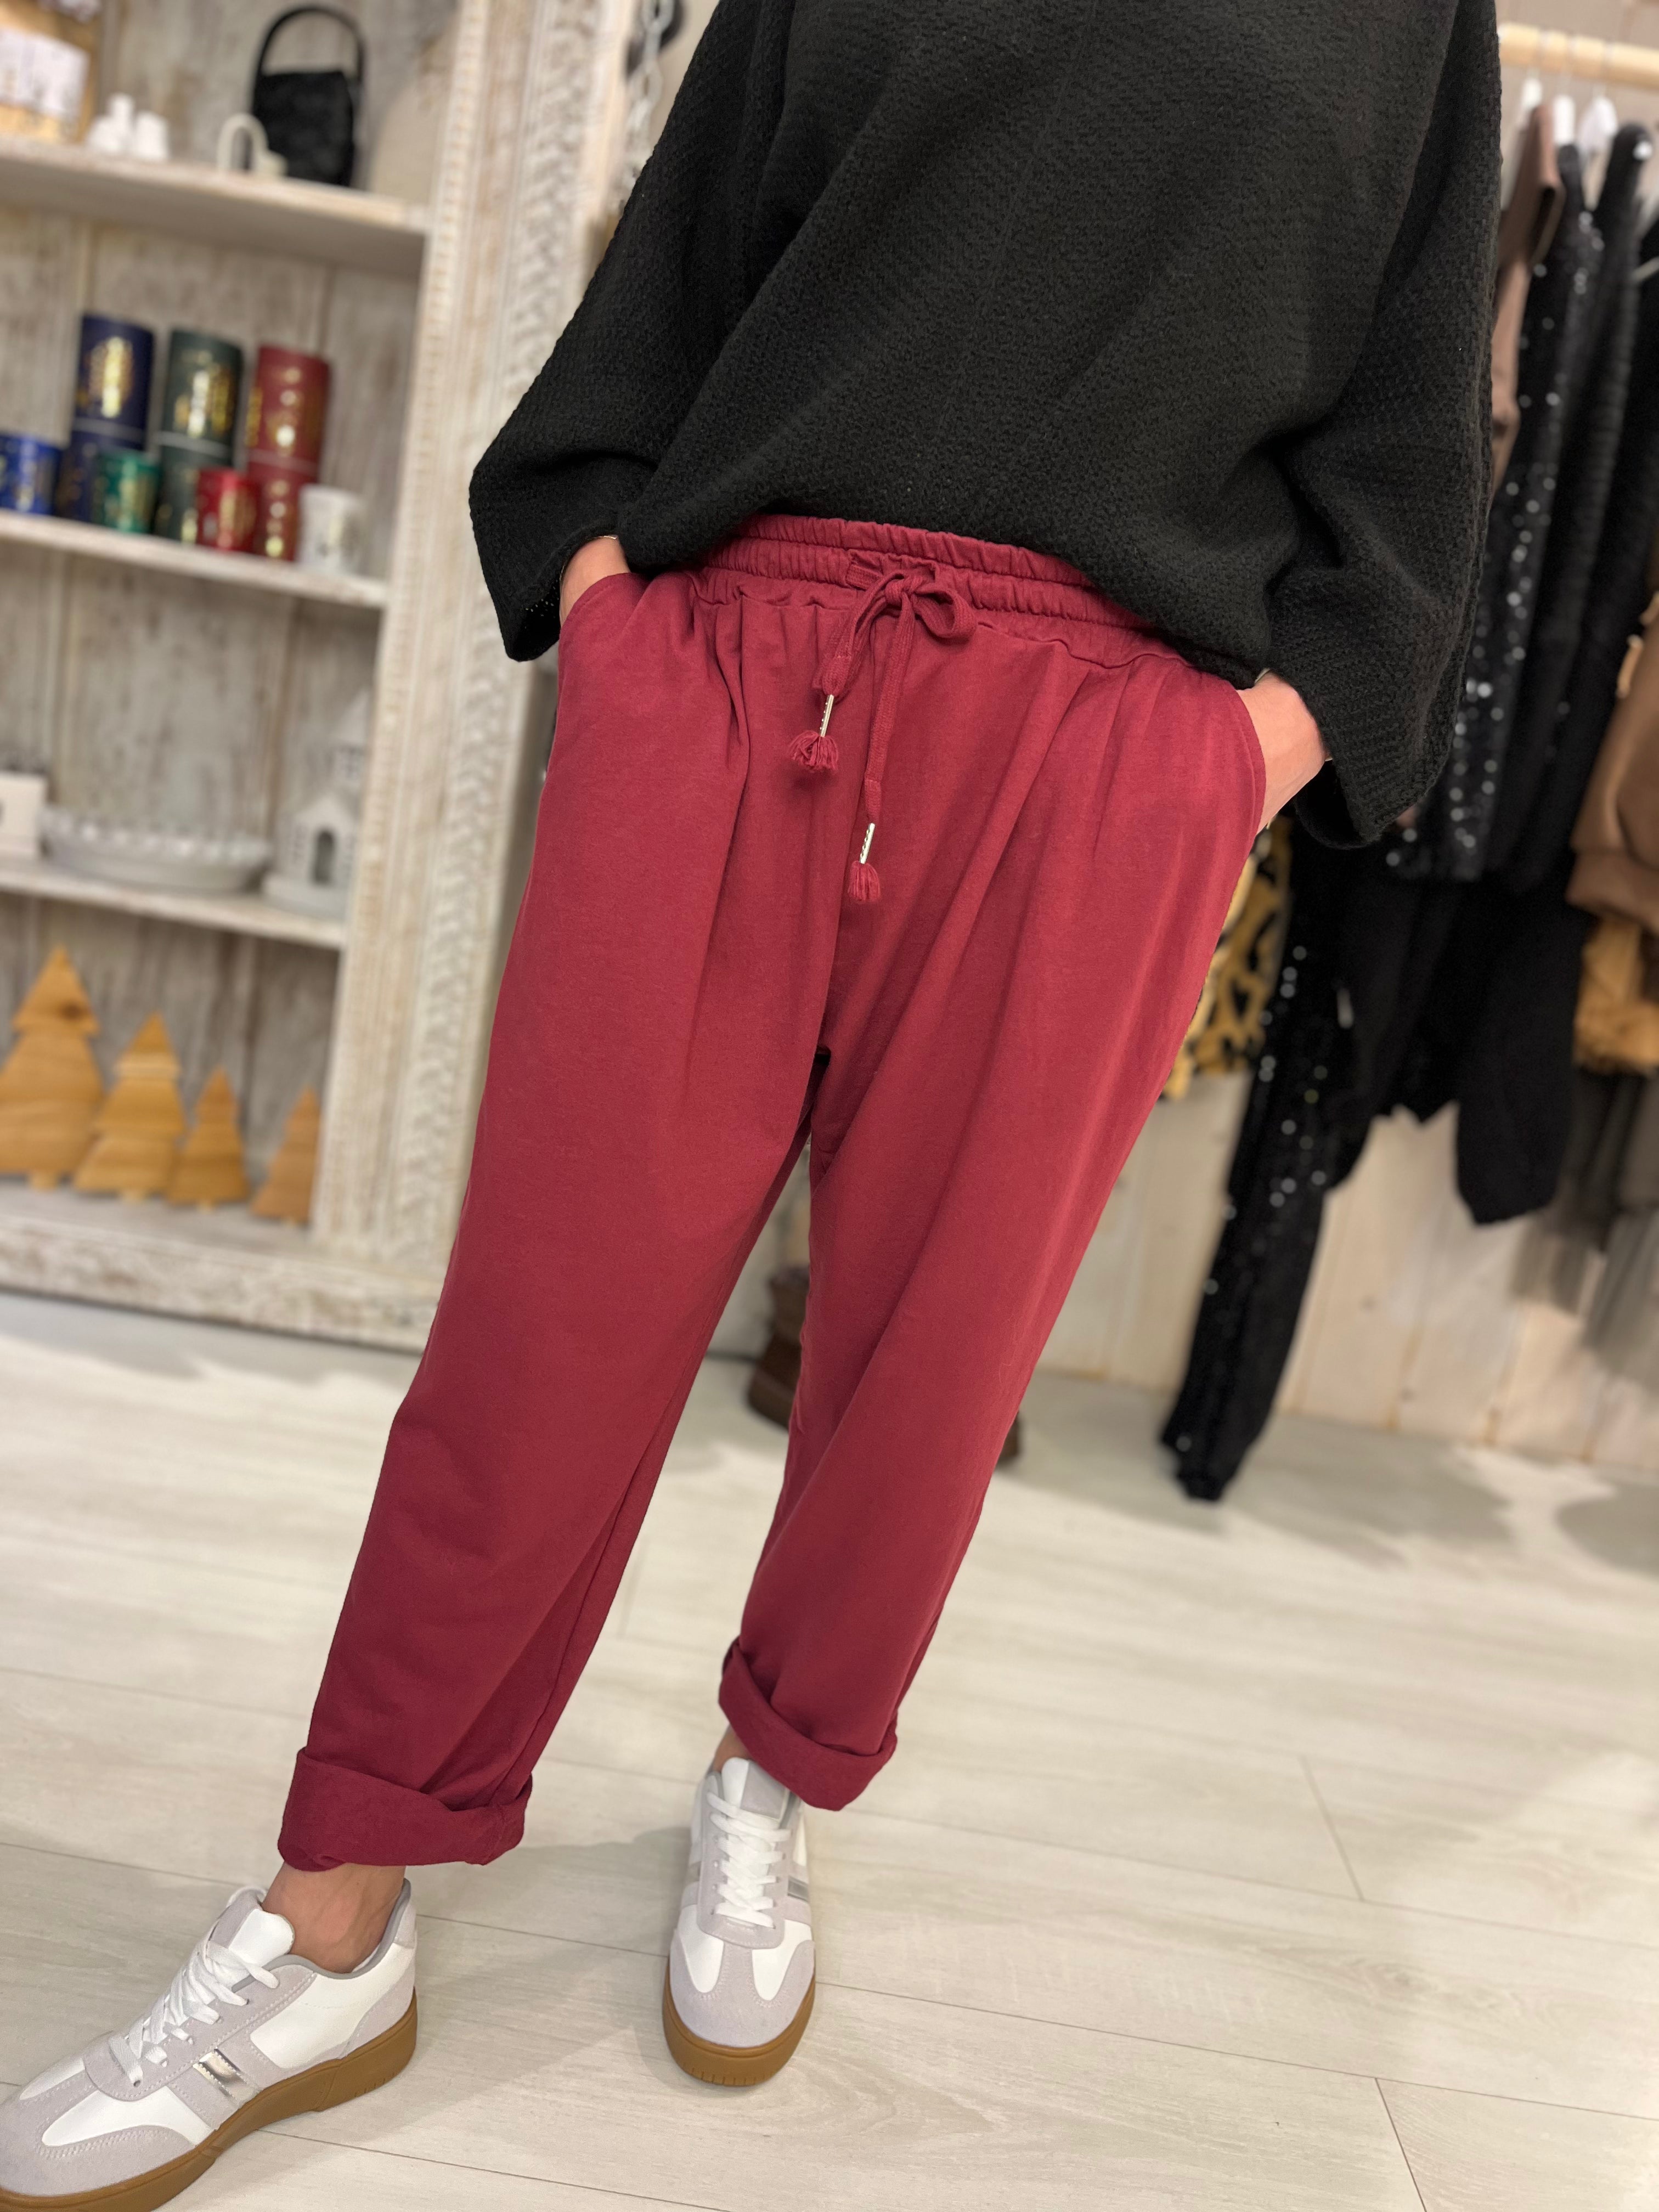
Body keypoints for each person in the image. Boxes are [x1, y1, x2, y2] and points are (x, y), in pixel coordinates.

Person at [0, 2, 1499, 2202]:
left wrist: (1224, 762)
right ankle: (333, 1914)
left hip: (1103, 741)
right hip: (731, 670)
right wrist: (616, 617)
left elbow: (1415, 441)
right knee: (546, 1331)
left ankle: (770, 1779)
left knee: (931, 1355)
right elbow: (678, 270)